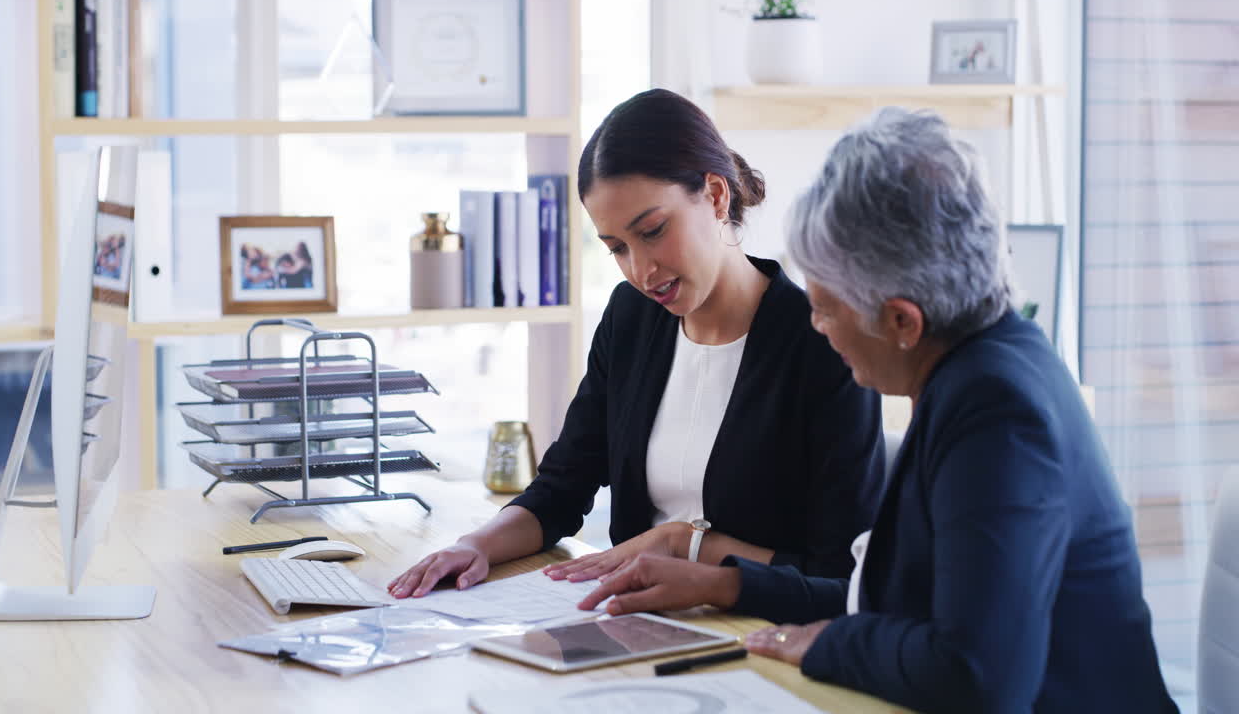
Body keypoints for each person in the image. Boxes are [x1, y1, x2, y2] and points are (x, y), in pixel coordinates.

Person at [577, 108, 1177, 713]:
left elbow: (977, 675)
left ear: (901, 321)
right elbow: (896, 604)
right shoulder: (984, 367)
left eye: (827, 307)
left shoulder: (998, 413)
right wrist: (732, 584)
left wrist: (826, 645)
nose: (815, 325)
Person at [388, 88, 886, 600]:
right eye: (618, 248)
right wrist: (476, 545)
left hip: (761, 637)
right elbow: (561, 490)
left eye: (653, 231)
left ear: (716, 196)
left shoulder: (824, 344)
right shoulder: (630, 319)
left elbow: (840, 578)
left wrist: (685, 544)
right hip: (632, 623)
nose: (640, 271)